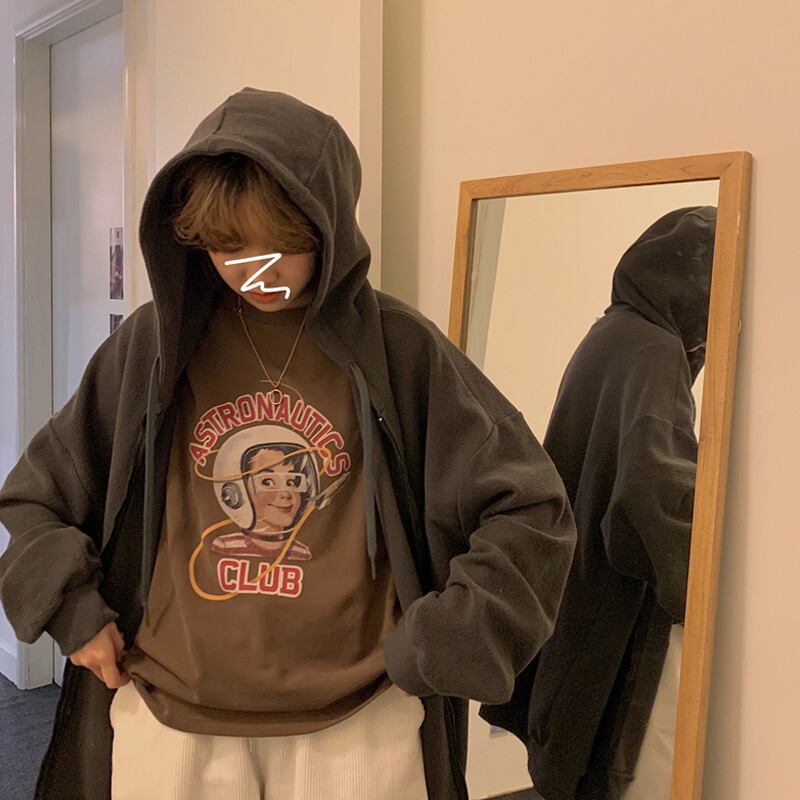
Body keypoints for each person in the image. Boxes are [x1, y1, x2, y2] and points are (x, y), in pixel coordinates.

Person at [0, 87, 577, 800]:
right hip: (172, 716)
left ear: (326, 226)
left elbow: (531, 508)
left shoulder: (399, 350)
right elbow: (36, 495)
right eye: (228, 247)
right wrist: (72, 610)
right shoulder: (154, 345)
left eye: (280, 245)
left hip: (360, 722)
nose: (256, 271)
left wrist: (440, 643)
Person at [479, 206, 716, 800]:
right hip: (613, 586)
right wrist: (708, 591)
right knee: (628, 758)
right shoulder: (655, 351)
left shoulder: (612, 332)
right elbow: (651, 492)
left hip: (576, 574)